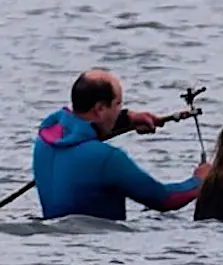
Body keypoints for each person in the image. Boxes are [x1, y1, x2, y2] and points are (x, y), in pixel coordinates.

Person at [33, 69, 209, 222]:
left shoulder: (45, 138)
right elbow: (165, 199)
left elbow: (77, 123)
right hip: (98, 252)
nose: (120, 109)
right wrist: (200, 181)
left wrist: (129, 118)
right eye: (118, 104)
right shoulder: (107, 159)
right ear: (100, 109)